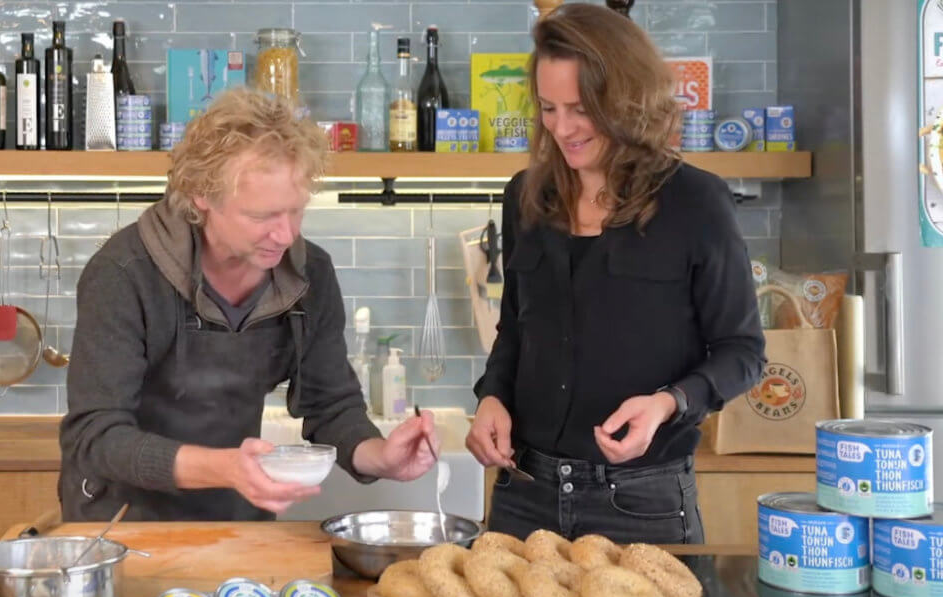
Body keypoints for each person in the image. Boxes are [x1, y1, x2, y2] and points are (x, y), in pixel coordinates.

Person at [60, 88, 438, 521]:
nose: (286, 235)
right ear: (202, 194)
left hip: (239, 520)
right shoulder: (124, 274)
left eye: (296, 211)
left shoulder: (308, 274)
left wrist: (380, 457)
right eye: (263, 217)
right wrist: (226, 467)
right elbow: (95, 436)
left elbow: (331, 406)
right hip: (121, 522)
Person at [466, 3, 765, 544]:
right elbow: (516, 328)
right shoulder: (525, 196)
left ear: (626, 101)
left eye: (580, 109)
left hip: (641, 501)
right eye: (548, 108)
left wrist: (668, 403)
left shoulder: (696, 202)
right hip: (523, 495)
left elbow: (742, 352)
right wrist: (491, 396)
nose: (561, 128)